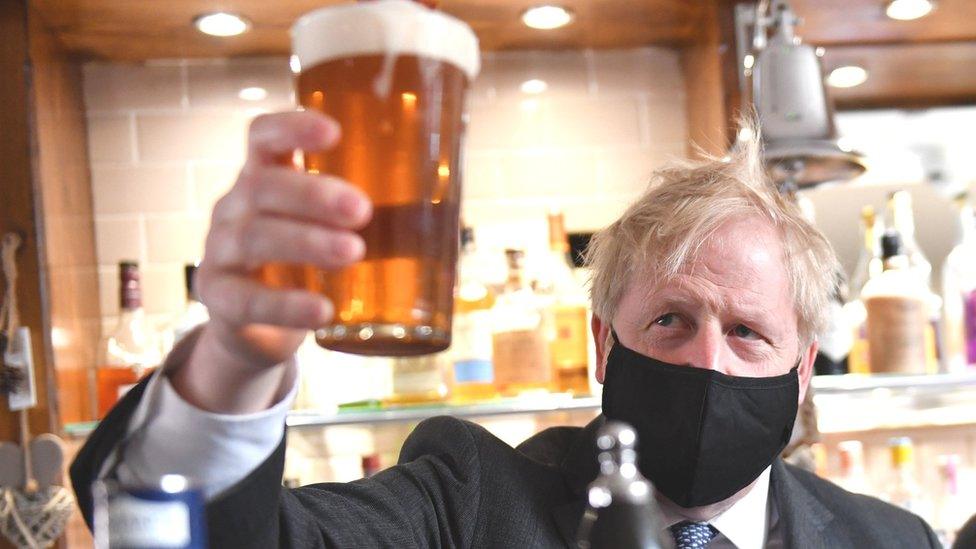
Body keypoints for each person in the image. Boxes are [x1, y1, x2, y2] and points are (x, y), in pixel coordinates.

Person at [70, 111, 939, 548]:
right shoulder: (470, 501)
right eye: (670, 320)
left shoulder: (892, 541)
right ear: (605, 345)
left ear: (803, 375)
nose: (706, 361)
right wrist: (233, 360)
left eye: (749, 332)